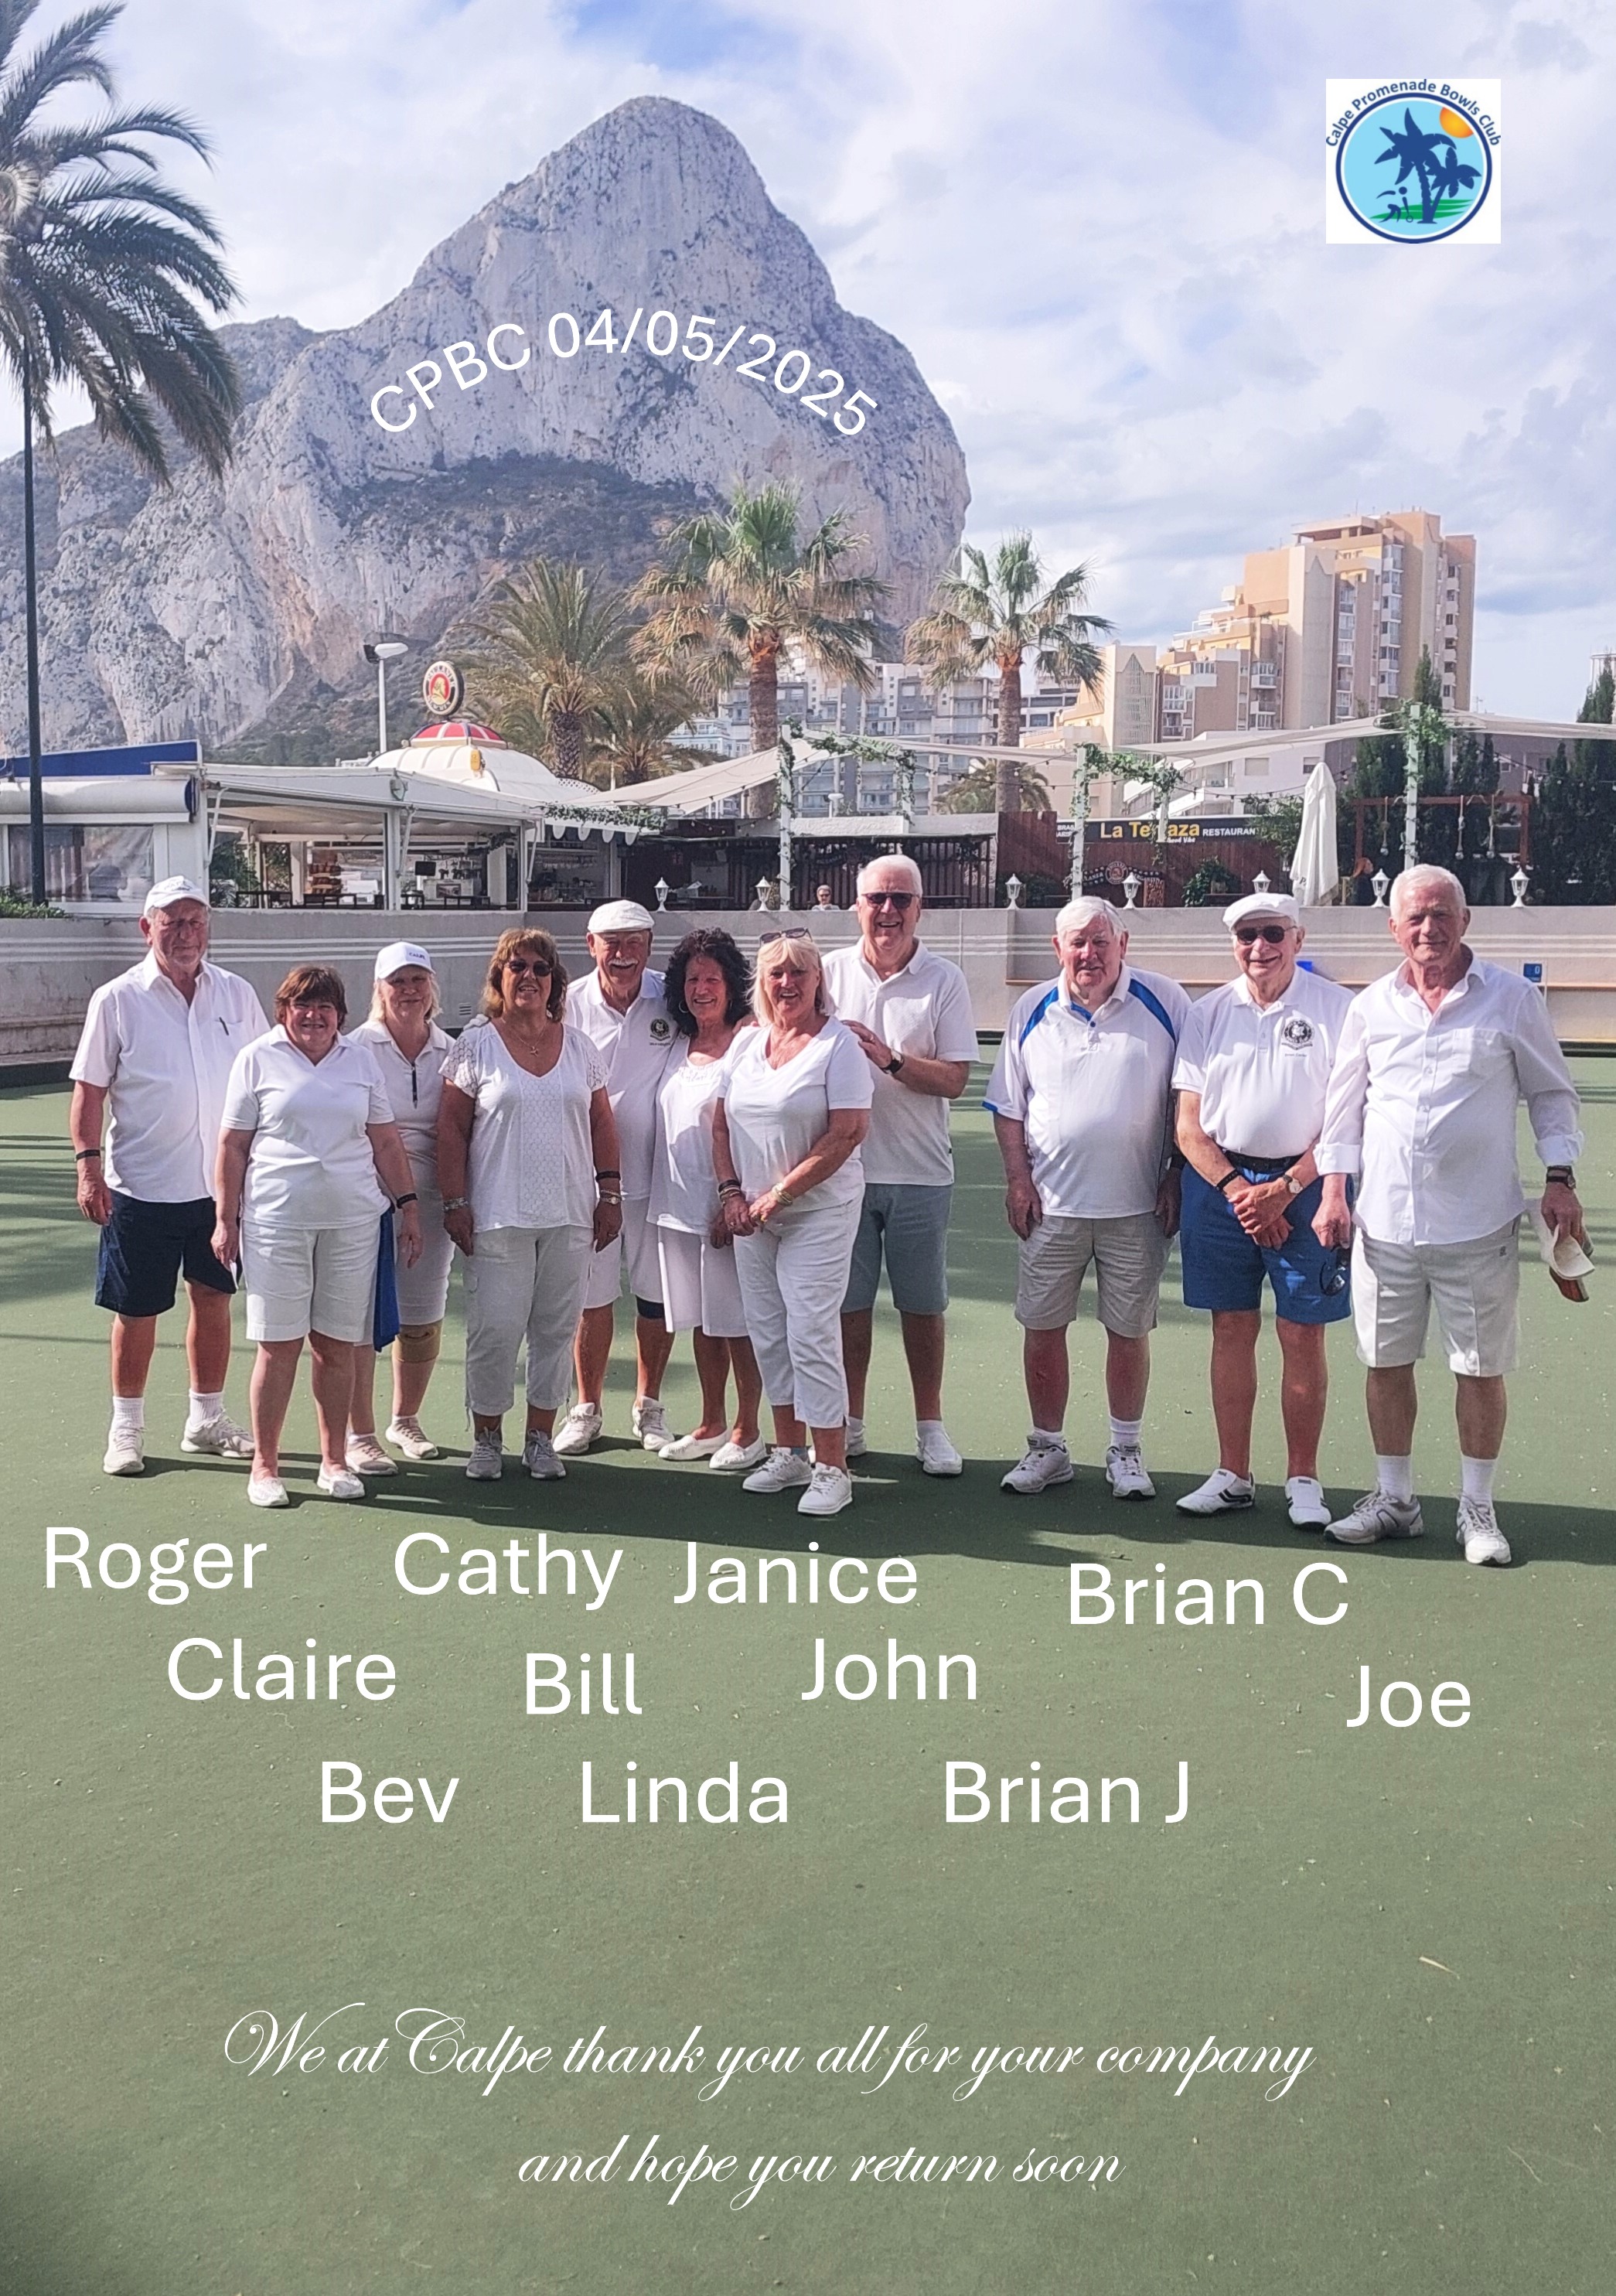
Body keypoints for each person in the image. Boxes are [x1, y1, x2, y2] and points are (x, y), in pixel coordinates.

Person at [1313, 864, 1587, 1566]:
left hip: (1479, 1225)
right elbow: (1343, 1108)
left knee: (1478, 1368)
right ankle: (1395, 1500)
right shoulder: (1370, 1006)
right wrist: (1335, 1191)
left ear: (1466, 921)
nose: (1428, 929)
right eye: (1415, 918)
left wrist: (1560, 1178)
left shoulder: (1512, 999)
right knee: (1384, 1363)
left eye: (1441, 915)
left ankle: (1477, 1508)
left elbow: (1552, 1096)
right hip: (1384, 1225)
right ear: (1393, 927)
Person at [985, 896, 1188, 1499]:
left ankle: (1125, 1451)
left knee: (1129, 1331)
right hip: (1051, 1207)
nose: (1089, 953)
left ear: (1123, 944)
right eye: (1077, 942)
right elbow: (1008, 1107)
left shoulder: (1165, 1000)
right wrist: (1018, 1180)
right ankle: (1048, 1447)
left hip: (1137, 1207)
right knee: (1042, 1329)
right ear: (1057, 948)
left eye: (1101, 941)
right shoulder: (1032, 1008)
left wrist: (1174, 1174)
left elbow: (1188, 1097)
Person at [69, 876, 268, 1476]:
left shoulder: (236, 994)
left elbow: (266, 1077)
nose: (186, 934)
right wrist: (87, 1167)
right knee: (137, 1312)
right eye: (173, 922)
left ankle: (205, 1419)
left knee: (213, 1301)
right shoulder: (116, 998)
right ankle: (126, 1429)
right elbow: (89, 1091)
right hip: (141, 1188)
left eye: (196, 921)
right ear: (146, 927)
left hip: (219, 1192)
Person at [1173, 892, 1355, 1527]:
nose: (1260, 947)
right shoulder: (1207, 1013)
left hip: (1307, 1188)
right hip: (1221, 1185)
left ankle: (1303, 1478)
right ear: (1233, 943)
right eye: (1247, 934)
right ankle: (1233, 1474)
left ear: (1297, 938)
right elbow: (1188, 1126)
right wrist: (1241, 1194)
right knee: (1231, 1328)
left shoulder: (1339, 1008)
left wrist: (1285, 1189)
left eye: (1272, 932)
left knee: (1302, 1333)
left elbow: (1345, 1117)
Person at [213, 965, 422, 1507]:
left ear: (341, 1015)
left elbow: (385, 1143)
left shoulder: (361, 1061)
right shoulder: (257, 1058)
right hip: (275, 1223)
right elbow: (233, 1146)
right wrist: (225, 1218)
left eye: (324, 1006)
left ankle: (334, 1460)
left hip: (352, 1223)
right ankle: (265, 1466)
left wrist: (409, 1207)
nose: (313, 1015)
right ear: (284, 1010)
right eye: (302, 1005)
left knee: (336, 1345)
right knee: (278, 1345)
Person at [438, 928, 621, 1481]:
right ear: (500, 977)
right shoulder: (475, 1043)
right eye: (517, 966)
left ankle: (541, 1436)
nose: (530, 977)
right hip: (497, 1215)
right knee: (495, 1329)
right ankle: (487, 1438)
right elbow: (450, 1128)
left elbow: (602, 1122)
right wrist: (454, 1202)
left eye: (541, 969)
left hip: (568, 1214)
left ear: (554, 982)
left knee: (555, 1329)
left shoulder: (581, 1047)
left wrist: (609, 1193)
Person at [822, 853, 978, 1476]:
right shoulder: (827, 973)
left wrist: (890, 1061)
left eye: (901, 900)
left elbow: (957, 1079)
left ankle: (930, 1427)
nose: (888, 911)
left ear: (920, 908)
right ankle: (850, 1422)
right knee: (848, 1307)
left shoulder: (945, 980)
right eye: (877, 899)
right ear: (856, 905)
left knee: (923, 1307)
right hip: (842, 1175)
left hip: (921, 1174)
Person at [712, 932, 873, 1516]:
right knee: (768, 1330)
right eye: (776, 974)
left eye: (799, 973)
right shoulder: (746, 1044)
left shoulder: (838, 1047)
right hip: (753, 1215)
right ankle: (789, 1452)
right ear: (762, 983)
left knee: (810, 1328)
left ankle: (833, 1466)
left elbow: (848, 1132)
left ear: (817, 982)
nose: (787, 984)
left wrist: (778, 1194)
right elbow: (721, 1125)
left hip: (818, 1211)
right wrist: (733, 1193)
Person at [553, 900, 677, 1456]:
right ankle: (587, 1408)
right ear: (590, 944)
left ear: (649, 945)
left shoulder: (674, 996)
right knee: (592, 1299)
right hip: (589, 1181)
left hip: (665, 1179)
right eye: (612, 942)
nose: (622, 953)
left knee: (656, 1299)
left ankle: (649, 1406)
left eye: (633, 941)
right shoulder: (567, 1003)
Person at [649, 928, 765, 1469]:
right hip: (675, 1207)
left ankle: (750, 1428)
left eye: (712, 979)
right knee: (700, 1321)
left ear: (731, 985)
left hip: (728, 1208)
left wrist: (732, 1196)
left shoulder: (750, 1040)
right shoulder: (676, 1041)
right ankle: (712, 1421)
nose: (701, 989)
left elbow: (749, 1127)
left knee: (737, 1321)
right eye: (693, 979)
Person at [343, 943, 456, 1471]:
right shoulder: (353, 1049)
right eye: (398, 982)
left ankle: (404, 1419)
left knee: (422, 1314)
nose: (409, 991)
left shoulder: (452, 1050)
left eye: (418, 980)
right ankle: (357, 1432)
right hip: (365, 1202)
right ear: (379, 990)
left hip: (431, 1202)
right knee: (361, 1317)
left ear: (431, 987)